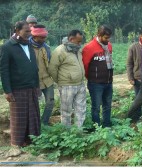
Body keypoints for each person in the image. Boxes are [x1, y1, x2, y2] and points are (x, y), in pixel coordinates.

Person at [0, 21, 40, 155]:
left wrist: (37, 85)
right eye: (26, 31)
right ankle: (16, 143)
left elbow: (34, 67)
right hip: (17, 89)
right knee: (19, 117)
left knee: (32, 115)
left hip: (31, 87)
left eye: (30, 31)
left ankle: (31, 140)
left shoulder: (28, 44)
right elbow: (4, 70)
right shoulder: (7, 47)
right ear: (17, 30)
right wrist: (7, 91)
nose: (29, 34)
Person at [48, 30, 86, 128]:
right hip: (67, 86)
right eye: (78, 41)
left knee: (81, 109)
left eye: (81, 41)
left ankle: (79, 130)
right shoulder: (60, 51)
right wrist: (61, 81)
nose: (80, 43)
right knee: (66, 111)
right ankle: (66, 132)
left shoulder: (77, 49)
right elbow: (52, 69)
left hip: (80, 84)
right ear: (71, 39)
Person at [82, 25, 113, 128]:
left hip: (108, 81)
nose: (108, 40)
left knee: (107, 105)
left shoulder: (109, 46)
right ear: (99, 35)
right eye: (106, 38)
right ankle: (96, 127)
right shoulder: (89, 47)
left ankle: (107, 125)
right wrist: (91, 78)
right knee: (96, 107)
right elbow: (85, 66)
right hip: (95, 83)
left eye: (109, 38)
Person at [30, 25, 54, 126]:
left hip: (47, 80)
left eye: (45, 37)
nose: (44, 39)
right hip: (35, 81)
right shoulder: (28, 48)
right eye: (42, 37)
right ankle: (35, 125)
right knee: (35, 105)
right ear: (35, 36)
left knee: (50, 102)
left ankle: (43, 123)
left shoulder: (46, 47)